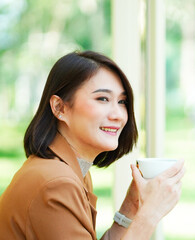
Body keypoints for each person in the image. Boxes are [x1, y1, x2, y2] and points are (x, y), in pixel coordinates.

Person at [0, 50, 185, 239]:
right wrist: (150, 215)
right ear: (59, 107)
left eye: (122, 101)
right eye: (102, 99)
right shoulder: (56, 183)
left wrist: (132, 206)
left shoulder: (72, 171)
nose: (119, 115)